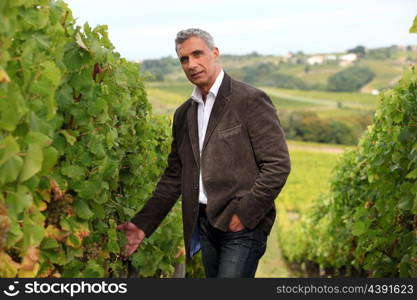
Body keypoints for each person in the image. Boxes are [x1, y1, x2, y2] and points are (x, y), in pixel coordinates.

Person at [117, 28, 291, 278]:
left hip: (241, 226)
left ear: (215, 53)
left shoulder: (249, 100)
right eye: (184, 59)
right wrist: (142, 225)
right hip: (204, 225)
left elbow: (278, 165)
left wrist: (244, 214)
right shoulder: (183, 114)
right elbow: (174, 177)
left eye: (197, 54)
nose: (192, 64)